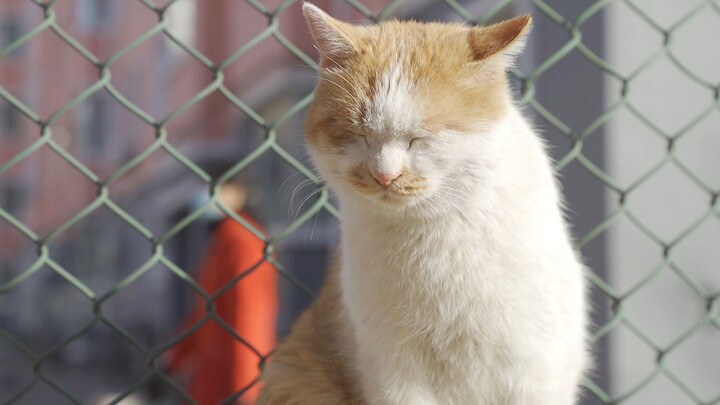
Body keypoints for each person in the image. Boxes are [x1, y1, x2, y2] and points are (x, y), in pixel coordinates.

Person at [167, 183, 278, 404]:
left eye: (218, 186)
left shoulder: (242, 241)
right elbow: (205, 311)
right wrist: (173, 360)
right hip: (214, 378)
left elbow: (249, 316)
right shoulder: (225, 238)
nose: (210, 193)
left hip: (230, 382)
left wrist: (245, 388)